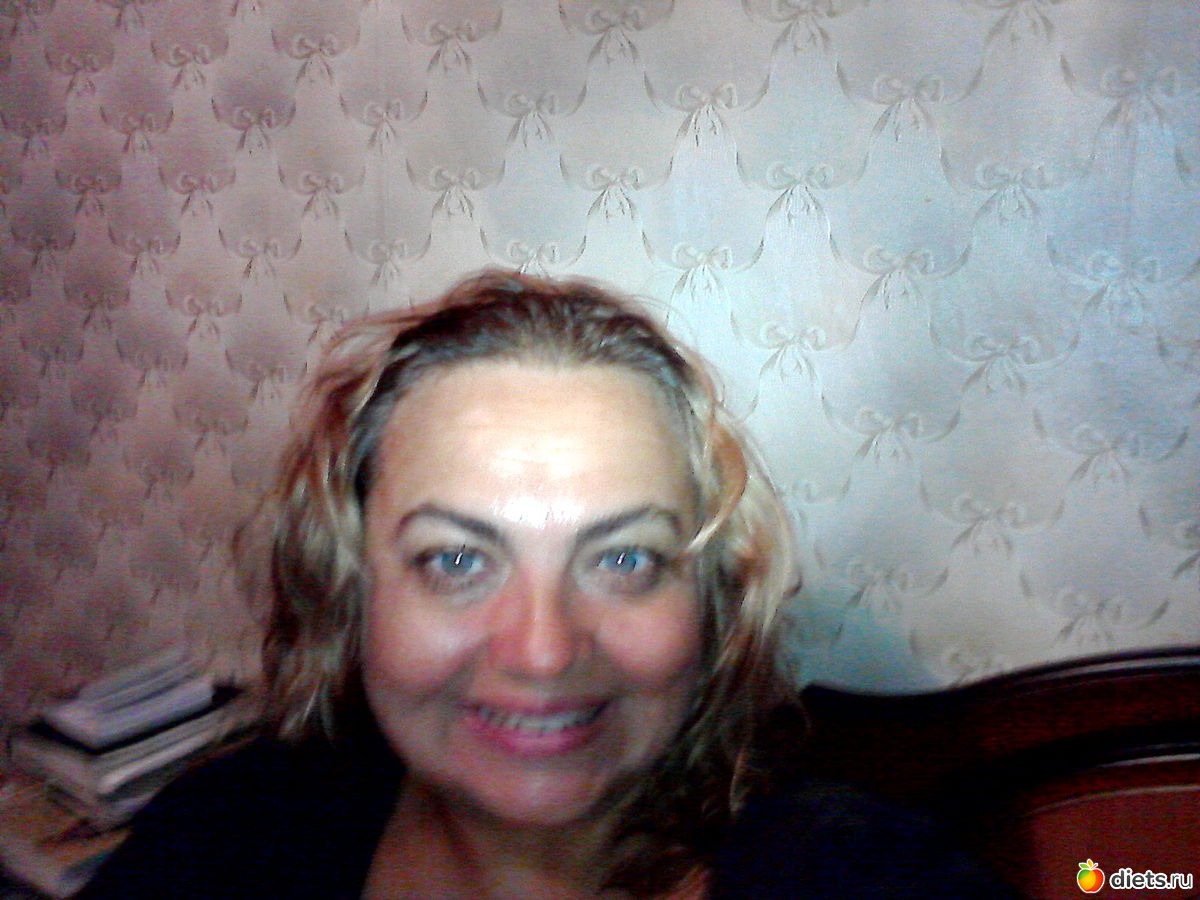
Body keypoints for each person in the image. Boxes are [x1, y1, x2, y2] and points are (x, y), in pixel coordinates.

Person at [80, 271, 1012, 898]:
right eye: (455, 560)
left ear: (712, 603)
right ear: (351, 593)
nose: (542, 652)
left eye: (625, 560)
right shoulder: (226, 842)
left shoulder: (858, 875)